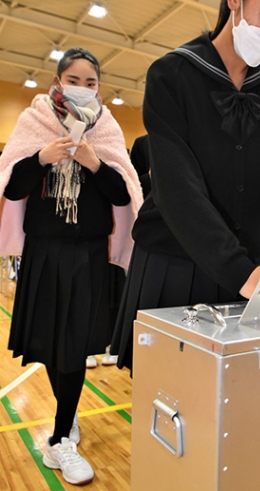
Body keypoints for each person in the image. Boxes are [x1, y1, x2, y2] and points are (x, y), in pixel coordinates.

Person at [111, 0, 260, 372]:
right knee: (170, 400)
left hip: (248, 267)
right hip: (176, 263)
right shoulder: (172, 74)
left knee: (240, 403)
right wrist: (240, 270)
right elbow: (177, 189)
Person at [0, 48, 143, 485]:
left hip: (87, 256)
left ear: (100, 87)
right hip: (44, 253)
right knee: (50, 344)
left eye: (91, 82)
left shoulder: (108, 129)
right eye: (74, 80)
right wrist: (42, 157)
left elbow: (122, 195)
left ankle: (61, 437)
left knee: (78, 345)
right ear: (58, 82)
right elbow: (13, 185)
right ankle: (67, 418)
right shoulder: (35, 122)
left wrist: (94, 163)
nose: (82, 88)